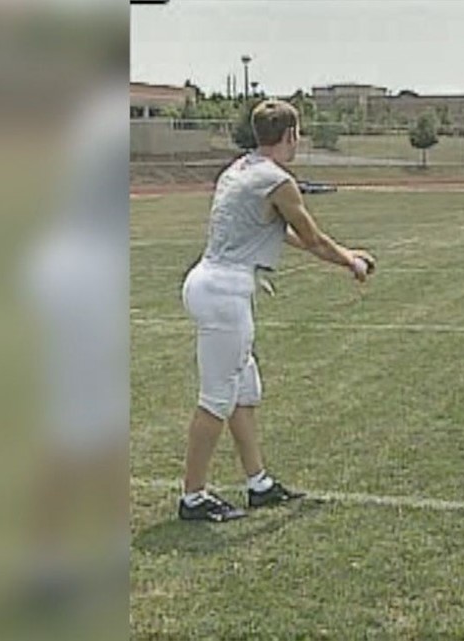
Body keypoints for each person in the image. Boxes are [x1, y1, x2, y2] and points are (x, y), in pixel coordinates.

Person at [177, 100, 374, 522]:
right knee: (215, 399)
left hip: (216, 284)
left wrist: (345, 254)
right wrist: (350, 263)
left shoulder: (241, 169)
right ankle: (192, 497)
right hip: (224, 292)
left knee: (244, 391)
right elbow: (314, 238)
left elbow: (281, 231)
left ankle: (259, 483)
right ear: (290, 135)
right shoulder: (278, 180)